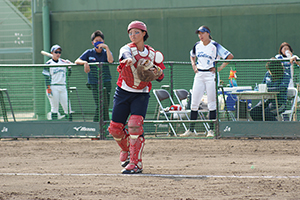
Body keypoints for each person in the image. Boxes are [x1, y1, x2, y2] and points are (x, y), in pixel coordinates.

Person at [108, 20, 165, 174]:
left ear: (144, 33)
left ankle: (136, 163)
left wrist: (157, 72)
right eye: (130, 32)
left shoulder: (152, 53)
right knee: (115, 129)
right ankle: (126, 149)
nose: (133, 35)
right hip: (123, 91)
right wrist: (127, 60)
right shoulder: (126, 49)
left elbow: (161, 76)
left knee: (134, 125)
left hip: (141, 94)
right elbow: (125, 55)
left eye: (136, 32)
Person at [180, 25, 234, 137]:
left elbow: (229, 56)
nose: (201, 36)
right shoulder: (197, 45)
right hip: (199, 74)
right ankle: (191, 130)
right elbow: (192, 55)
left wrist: (219, 68)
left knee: (211, 103)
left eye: (203, 33)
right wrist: (194, 65)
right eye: (199, 33)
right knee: (194, 102)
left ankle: (211, 130)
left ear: (208, 33)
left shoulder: (214, 45)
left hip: (211, 75)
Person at [75, 30, 114, 122]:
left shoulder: (105, 52)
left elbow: (111, 60)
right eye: (96, 41)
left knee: (105, 105)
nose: (98, 42)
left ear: (103, 42)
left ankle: (104, 127)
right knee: (99, 105)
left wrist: (107, 48)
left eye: (100, 40)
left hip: (106, 82)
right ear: (93, 43)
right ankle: (96, 126)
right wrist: (85, 62)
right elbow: (77, 61)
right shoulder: (89, 52)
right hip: (94, 83)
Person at [42, 44, 72, 120]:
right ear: (52, 53)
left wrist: (69, 67)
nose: (58, 54)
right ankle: (54, 126)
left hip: (63, 86)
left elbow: (69, 74)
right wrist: (48, 88)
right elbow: (46, 77)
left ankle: (70, 125)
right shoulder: (48, 64)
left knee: (67, 107)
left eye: (59, 52)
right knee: (54, 107)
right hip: (53, 86)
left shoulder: (63, 62)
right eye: (56, 52)